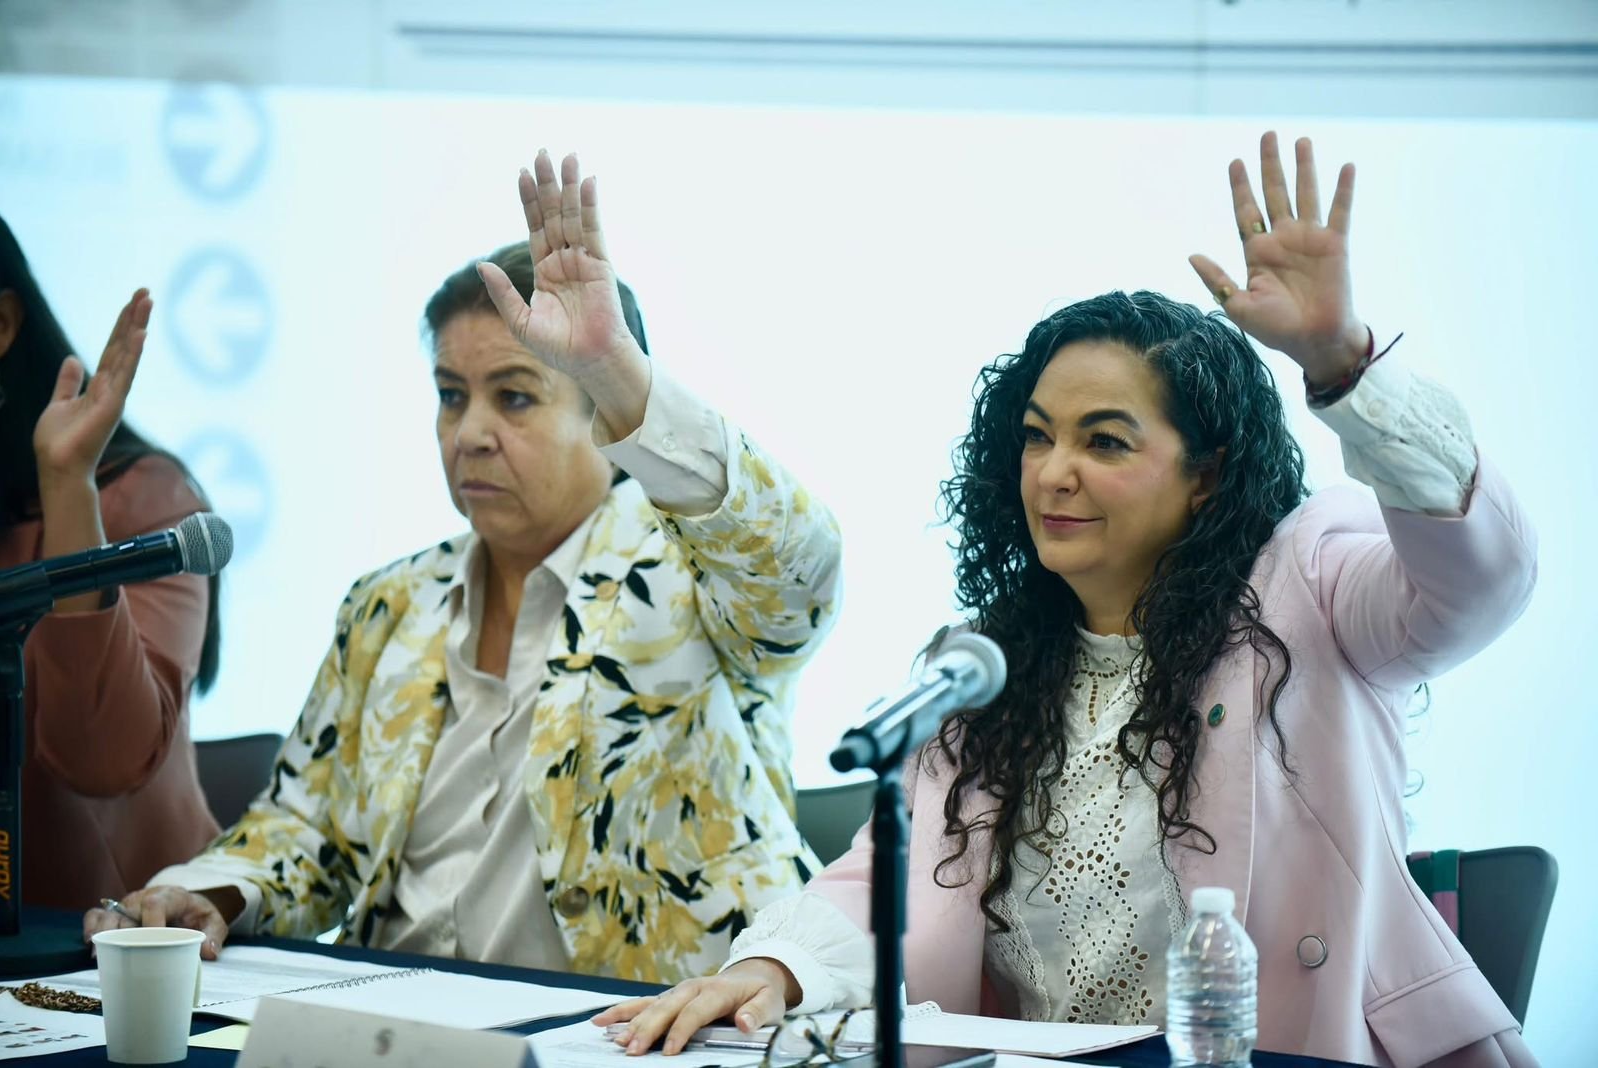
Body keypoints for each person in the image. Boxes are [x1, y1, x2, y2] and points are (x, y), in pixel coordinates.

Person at [594, 133, 1536, 1067]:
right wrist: (774, 968)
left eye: (1105, 442)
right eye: (1039, 436)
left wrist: (1345, 365)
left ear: (1207, 473)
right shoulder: (987, 666)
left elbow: (1477, 583)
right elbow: (893, 876)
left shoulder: (1310, 589)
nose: (1054, 472)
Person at [84, 151, 843, 985]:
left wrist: (623, 375)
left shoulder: (692, 569)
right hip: (397, 1015)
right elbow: (309, 829)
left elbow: (798, 571)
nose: (469, 433)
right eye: (451, 395)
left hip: (637, 1026)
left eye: (514, 397)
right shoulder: (389, 602)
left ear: (602, 416)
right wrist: (213, 891)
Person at [0, 213, 222, 909]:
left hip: (125, 942)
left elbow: (103, 761)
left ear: (1, 326)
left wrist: (68, 485)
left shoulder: (144, 501)